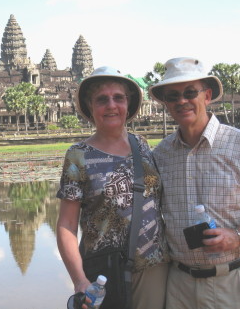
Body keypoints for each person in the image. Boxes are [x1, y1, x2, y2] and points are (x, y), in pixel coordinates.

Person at [149, 57, 240, 309]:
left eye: (190, 92)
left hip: (233, 281)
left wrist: (237, 236)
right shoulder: (161, 154)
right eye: (172, 96)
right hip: (179, 284)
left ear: (207, 95)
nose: (182, 101)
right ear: (166, 104)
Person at [57, 66, 169, 309]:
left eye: (118, 98)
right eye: (102, 99)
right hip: (104, 271)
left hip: (154, 266)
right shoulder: (78, 156)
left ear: (127, 104)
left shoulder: (141, 144)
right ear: (90, 107)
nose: (111, 105)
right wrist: (79, 281)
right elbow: (66, 225)